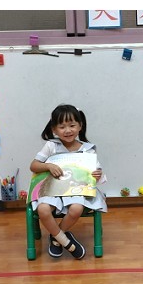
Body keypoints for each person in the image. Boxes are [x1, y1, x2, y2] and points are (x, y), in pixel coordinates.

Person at [29, 104, 107, 259]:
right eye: (62, 127)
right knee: (43, 209)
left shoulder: (88, 149)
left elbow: (96, 173)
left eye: (72, 125)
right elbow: (33, 166)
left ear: (80, 126)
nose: (68, 130)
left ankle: (56, 238)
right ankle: (65, 240)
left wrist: (97, 174)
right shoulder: (51, 146)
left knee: (76, 208)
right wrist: (48, 166)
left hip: (76, 190)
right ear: (54, 129)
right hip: (52, 189)